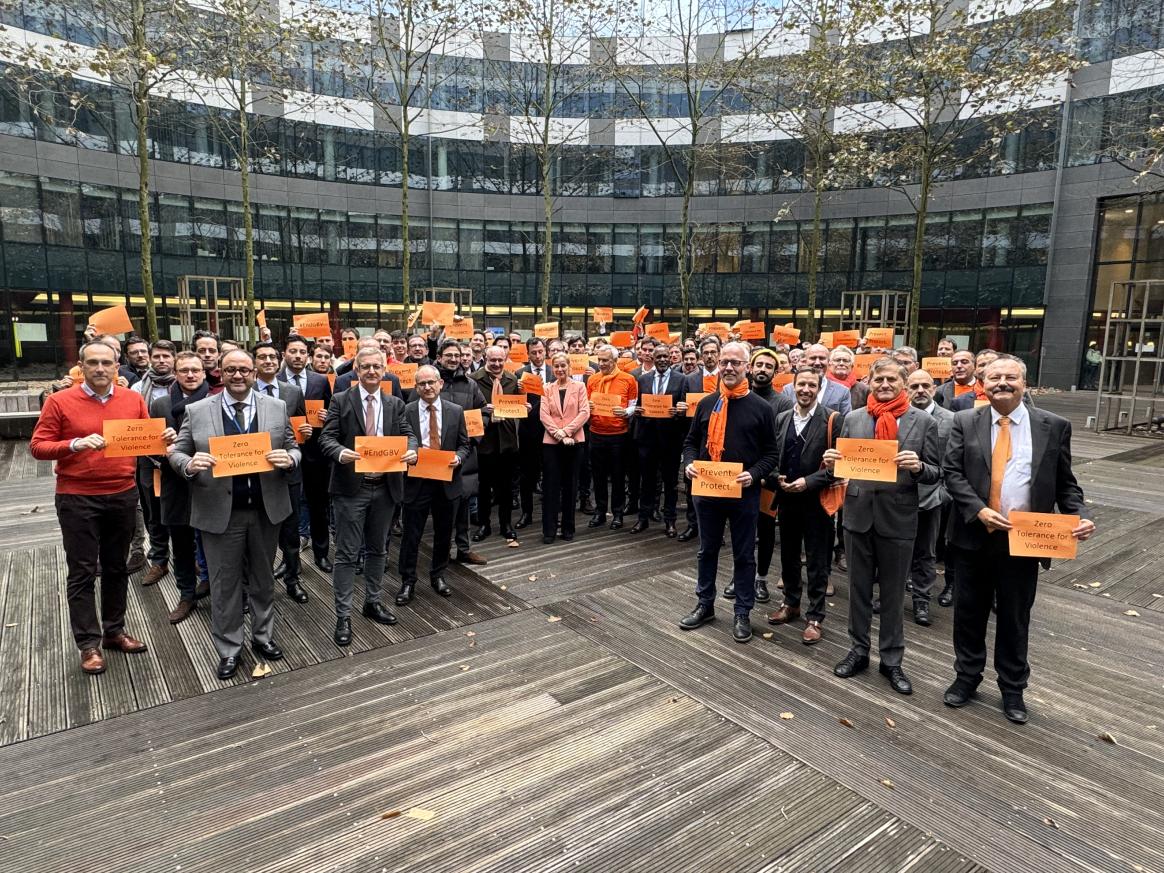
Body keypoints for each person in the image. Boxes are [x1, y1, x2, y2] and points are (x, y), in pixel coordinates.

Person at [942, 355, 1094, 724]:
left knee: (1014, 617)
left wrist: (1079, 516)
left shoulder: (1053, 426)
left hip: (1026, 541)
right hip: (974, 535)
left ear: (1025, 383)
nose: (1002, 384)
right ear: (983, 382)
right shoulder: (965, 421)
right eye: (994, 378)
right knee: (968, 614)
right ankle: (967, 678)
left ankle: (1012, 689)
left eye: (1011, 377)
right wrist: (978, 509)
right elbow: (952, 473)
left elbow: (1065, 483)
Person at [169, 349, 300, 681]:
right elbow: (178, 452)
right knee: (224, 585)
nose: (238, 375)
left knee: (263, 579)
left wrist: (292, 459)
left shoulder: (277, 406)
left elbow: (292, 445)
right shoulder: (197, 410)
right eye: (231, 370)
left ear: (254, 372)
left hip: (265, 510)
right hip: (218, 512)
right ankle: (229, 648)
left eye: (244, 370)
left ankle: (263, 636)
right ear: (220, 374)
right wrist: (188, 465)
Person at [31, 340, 160, 674]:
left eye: (107, 363)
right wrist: (74, 444)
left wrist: (165, 440)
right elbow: (38, 447)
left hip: (122, 494)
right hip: (77, 497)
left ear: (117, 366)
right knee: (83, 571)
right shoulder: (59, 401)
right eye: (93, 363)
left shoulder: (133, 399)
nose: (100, 368)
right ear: (81, 366)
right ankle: (88, 644)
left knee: (117, 567)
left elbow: (146, 440)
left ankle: (114, 631)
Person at [824, 357, 940, 695]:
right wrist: (831, 462)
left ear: (903, 382)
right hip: (858, 515)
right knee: (858, 590)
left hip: (899, 516)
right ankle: (858, 650)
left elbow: (937, 471)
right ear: (870, 382)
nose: (885, 385)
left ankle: (892, 660)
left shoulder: (922, 422)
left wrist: (919, 467)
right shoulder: (855, 418)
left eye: (891, 379)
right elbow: (842, 468)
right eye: (879, 380)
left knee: (891, 594)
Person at [679, 342, 780, 644]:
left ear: (747, 367)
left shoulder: (762, 408)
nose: (729, 368)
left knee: (744, 555)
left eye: (736, 363)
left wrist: (755, 473)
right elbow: (690, 442)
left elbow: (771, 454)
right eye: (724, 362)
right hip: (707, 492)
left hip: (743, 494)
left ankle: (742, 612)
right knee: (706, 551)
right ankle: (705, 604)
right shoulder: (708, 403)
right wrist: (688, 464)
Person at [319, 347, 417, 646]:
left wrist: (412, 449)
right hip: (352, 488)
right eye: (366, 367)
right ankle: (343, 614)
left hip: (385, 488)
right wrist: (340, 453)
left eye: (377, 366)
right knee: (348, 554)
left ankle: (372, 601)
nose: (372, 371)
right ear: (356, 370)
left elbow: (407, 434)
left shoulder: (395, 403)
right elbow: (326, 438)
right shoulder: (340, 400)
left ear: (385, 370)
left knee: (378, 550)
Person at [765, 366, 837, 644]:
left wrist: (809, 481)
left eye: (812, 385)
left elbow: (840, 466)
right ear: (792, 387)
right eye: (801, 384)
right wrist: (775, 478)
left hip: (817, 502)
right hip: (787, 498)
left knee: (818, 561)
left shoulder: (832, 419)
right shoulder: (782, 418)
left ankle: (816, 616)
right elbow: (771, 455)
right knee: (789, 555)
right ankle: (791, 603)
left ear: (819, 388)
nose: (806, 389)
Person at [397, 365, 471, 603]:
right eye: (422, 384)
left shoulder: (456, 410)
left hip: (447, 480)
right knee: (411, 535)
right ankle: (407, 581)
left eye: (431, 382)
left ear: (440, 383)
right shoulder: (405, 411)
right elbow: (401, 442)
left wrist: (458, 458)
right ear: (416, 387)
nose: (427, 387)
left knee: (443, 533)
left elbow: (464, 444)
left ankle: (438, 575)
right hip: (416, 481)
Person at [151, 351, 210, 623]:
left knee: (215, 541)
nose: (190, 374)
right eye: (184, 370)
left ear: (204, 372)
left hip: (209, 482)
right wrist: (164, 449)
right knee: (182, 543)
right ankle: (186, 594)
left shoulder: (216, 401)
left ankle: (216, 586)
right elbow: (146, 448)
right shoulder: (161, 405)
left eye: (195, 370)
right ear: (175, 373)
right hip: (175, 482)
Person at [254, 342, 312, 603]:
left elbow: (299, 428)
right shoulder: (245, 390)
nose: (267, 360)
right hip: (254, 475)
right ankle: (257, 585)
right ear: (254, 362)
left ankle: (292, 578)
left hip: (287, 474)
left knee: (290, 532)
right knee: (257, 535)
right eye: (261, 357)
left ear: (279, 360)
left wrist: (307, 432)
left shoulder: (293, 391)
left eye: (271, 356)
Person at [277, 335, 333, 573]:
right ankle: (288, 560)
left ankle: (321, 553)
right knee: (287, 508)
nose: (298, 356)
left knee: (318, 505)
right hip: (284, 454)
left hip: (314, 453)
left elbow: (332, 413)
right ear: (284, 354)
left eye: (302, 352)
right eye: (293, 351)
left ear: (308, 355)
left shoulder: (319, 381)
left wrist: (326, 417)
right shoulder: (274, 382)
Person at [905, 368, 954, 627]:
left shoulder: (951, 419)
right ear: (907, 389)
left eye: (926, 385)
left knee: (926, 552)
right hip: (900, 496)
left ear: (934, 388)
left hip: (932, 496)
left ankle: (922, 599)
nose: (920, 390)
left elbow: (956, 462)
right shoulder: (897, 416)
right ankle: (892, 595)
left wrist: (943, 493)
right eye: (914, 386)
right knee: (898, 550)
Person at [746, 348, 795, 600]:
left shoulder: (784, 403)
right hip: (742, 476)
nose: (763, 369)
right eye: (759, 365)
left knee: (765, 530)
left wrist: (768, 474)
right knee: (742, 530)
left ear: (776, 373)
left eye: (768, 366)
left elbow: (782, 443)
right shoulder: (739, 396)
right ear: (750, 368)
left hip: (767, 478)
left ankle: (761, 579)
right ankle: (740, 576)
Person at [435, 340, 488, 565]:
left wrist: (473, 438)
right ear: (439, 357)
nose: (454, 359)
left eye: (457, 355)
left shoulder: (470, 384)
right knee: (441, 506)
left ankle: (463, 549)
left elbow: (483, 411)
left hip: (465, 454)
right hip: (438, 455)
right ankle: (442, 551)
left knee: (464, 503)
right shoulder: (431, 383)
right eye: (449, 355)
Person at [132, 340, 179, 586]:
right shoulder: (138, 387)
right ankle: (159, 559)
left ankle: (189, 557)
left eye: (166, 357)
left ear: (174, 359)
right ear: (150, 358)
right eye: (157, 356)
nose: (161, 361)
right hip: (148, 459)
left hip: (178, 456)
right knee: (153, 508)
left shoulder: (183, 385)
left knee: (183, 507)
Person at [630, 343, 688, 537]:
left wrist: (678, 412)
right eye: (659, 356)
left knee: (670, 483)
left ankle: (670, 520)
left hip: (670, 439)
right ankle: (643, 518)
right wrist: (637, 412)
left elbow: (685, 408)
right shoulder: (643, 379)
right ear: (652, 359)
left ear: (671, 358)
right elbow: (638, 405)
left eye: (666, 356)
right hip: (647, 438)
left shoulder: (682, 380)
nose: (662, 359)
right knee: (646, 480)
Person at [470, 346, 523, 542]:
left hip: (508, 441)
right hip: (485, 441)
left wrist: (522, 407)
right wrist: (485, 413)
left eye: (501, 360)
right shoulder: (474, 380)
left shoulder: (512, 379)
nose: (497, 364)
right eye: (493, 360)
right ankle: (484, 524)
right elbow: (468, 412)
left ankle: (505, 524)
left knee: (507, 488)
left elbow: (515, 406)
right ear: (485, 358)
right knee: (484, 487)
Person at [586, 344, 639, 530]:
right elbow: (586, 402)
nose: (601, 363)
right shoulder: (592, 379)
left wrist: (626, 411)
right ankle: (600, 512)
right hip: (596, 433)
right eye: (599, 360)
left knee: (617, 476)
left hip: (619, 435)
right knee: (598, 476)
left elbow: (634, 405)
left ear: (615, 361)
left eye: (605, 360)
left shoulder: (629, 379)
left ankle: (617, 514)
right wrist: (588, 408)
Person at [539, 352, 590, 543]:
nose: (560, 369)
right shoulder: (547, 388)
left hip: (575, 442)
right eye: (556, 366)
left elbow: (584, 412)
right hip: (551, 444)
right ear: (552, 368)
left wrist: (567, 432)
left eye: (563, 366)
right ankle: (549, 531)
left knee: (570, 485)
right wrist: (558, 434)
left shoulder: (580, 386)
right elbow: (544, 415)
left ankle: (568, 528)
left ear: (569, 367)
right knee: (550, 487)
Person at [516, 337, 550, 530]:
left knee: (550, 473)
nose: (537, 356)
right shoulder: (520, 374)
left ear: (545, 351)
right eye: (533, 352)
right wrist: (520, 395)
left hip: (550, 431)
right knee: (527, 475)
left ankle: (550, 511)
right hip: (528, 431)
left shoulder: (555, 372)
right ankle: (526, 513)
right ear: (527, 353)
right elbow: (511, 403)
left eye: (540, 351)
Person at [782, 343, 852, 415]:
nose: (817, 363)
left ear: (829, 362)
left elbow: (845, 423)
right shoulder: (788, 390)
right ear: (805, 361)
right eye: (813, 358)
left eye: (822, 358)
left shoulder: (842, 392)